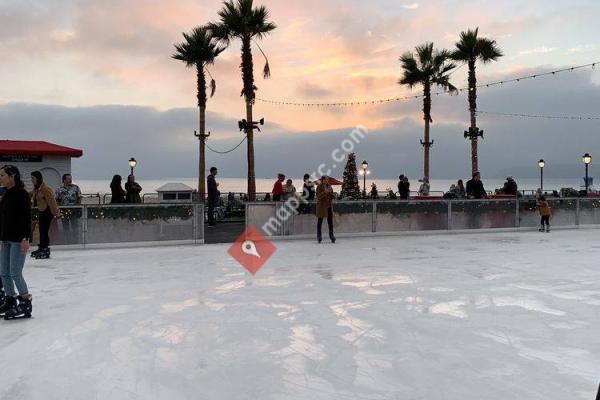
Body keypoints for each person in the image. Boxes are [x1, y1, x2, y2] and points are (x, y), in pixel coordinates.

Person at [0, 165, 33, 319]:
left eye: (2, 175)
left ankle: (26, 303)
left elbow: (26, 218)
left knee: (15, 273)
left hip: (19, 240)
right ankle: (10, 299)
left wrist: (26, 238)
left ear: (12, 176)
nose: (0, 178)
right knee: (4, 273)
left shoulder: (22, 194)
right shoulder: (7, 194)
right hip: (6, 239)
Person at [30, 171, 60, 259]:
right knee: (42, 231)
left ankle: (45, 249)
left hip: (47, 212)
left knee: (44, 231)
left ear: (38, 178)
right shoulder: (37, 188)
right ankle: (41, 247)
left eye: (33, 178)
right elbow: (32, 194)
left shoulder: (45, 189)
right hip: (42, 211)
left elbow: (52, 201)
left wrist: (56, 213)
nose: (32, 180)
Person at [55, 173, 82, 244]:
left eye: (71, 178)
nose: (70, 180)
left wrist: (78, 207)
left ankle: (76, 241)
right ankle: (68, 241)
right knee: (65, 227)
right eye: (68, 179)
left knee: (75, 226)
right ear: (64, 180)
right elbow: (56, 200)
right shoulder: (59, 189)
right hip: (64, 210)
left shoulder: (76, 187)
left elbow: (79, 198)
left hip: (74, 210)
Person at [316, 176, 336, 244]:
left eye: (327, 179)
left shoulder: (330, 187)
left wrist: (331, 193)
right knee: (320, 221)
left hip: (329, 206)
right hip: (322, 207)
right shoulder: (319, 187)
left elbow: (333, 196)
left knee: (330, 222)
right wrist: (325, 192)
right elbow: (318, 196)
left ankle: (331, 235)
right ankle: (319, 236)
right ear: (322, 180)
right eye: (325, 179)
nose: (326, 181)